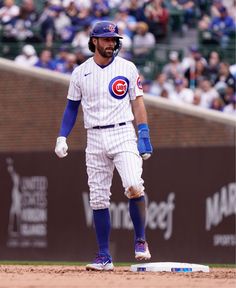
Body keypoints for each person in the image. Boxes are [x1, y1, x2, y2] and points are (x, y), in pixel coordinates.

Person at [54, 21, 153, 271]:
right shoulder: (80, 72)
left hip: (122, 132)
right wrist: (62, 136)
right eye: (106, 39)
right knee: (98, 199)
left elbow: (138, 102)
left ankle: (140, 240)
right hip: (94, 137)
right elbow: (71, 108)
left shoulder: (127, 68)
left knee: (133, 184)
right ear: (94, 41)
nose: (112, 43)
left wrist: (143, 132)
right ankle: (104, 256)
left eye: (114, 39)